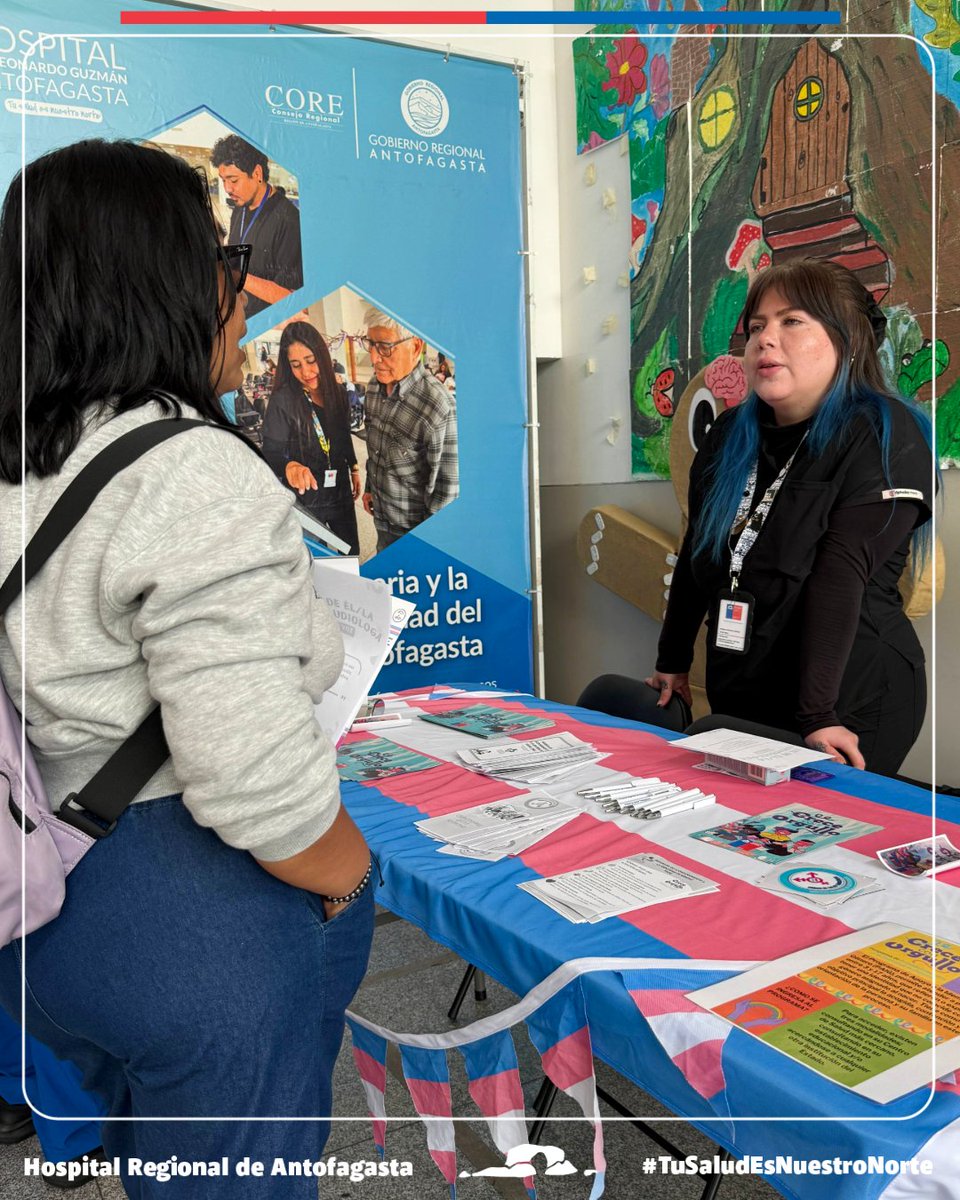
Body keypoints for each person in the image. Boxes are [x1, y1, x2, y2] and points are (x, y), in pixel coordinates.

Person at [0, 139, 373, 1198]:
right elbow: (253, 780)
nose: (241, 294)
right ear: (158, 279)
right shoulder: (189, 466)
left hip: (39, 908)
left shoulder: (17, 456)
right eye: (219, 259)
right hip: (189, 924)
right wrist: (349, 882)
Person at [646, 258, 934, 776]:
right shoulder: (730, 434)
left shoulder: (885, 433)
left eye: (791, 321)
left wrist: (818, 715)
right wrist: (673, 660)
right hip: (742, 691)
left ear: (847, 338)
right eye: (757, 326)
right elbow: (699, 550)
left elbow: (840, 573)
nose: (764, 340)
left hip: (848, 700)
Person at [361, 308, 459, 552]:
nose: (374, 357)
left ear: (415, 347)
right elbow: (375, 451)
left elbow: (445, 495)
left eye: (384, 347)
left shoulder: (438, 406)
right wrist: (369, 488)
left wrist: (423, 549)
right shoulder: (374, 387)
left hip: (413, 534)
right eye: (370, 344)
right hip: (381, 519)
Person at [262, 321, 361, 555]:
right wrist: (289, 465)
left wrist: (354, 467)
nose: (305, 373)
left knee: (350, 556)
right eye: (296, 365)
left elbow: (343, 435)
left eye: (310, 361)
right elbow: (270, 451)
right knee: (317, 565)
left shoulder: (336, 393)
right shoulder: (282, 400)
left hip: (340, 490)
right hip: (307, 498)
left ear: (322, 357)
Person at [210, 134, 303, 318]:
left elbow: (291, 298)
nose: (227, 188)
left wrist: (237, 274)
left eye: (233, 180)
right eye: (223, 180)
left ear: (257, 174)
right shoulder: (240, 207)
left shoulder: (289, 221)